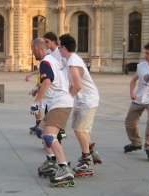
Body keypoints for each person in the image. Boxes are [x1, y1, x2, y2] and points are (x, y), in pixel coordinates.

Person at [31, 38, 75, 187]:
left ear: (38, 49)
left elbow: (48, 81)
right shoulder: (53, 60)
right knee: (41, 131)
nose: (32, 52)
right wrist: (38, 90)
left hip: (60, 103)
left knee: (49, 135)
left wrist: (37, 102)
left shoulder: (45, 62)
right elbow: (50, 81)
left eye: (32, 49)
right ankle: (51, 161)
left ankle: (64, 169)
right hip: (58, 101)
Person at [58, 34, 101, 177]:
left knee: (80, 129)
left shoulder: (73, 62)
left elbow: (77, 85)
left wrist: (66, 99)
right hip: (83, 100)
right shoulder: (72, 60)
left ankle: (86, 161)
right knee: (80, 129)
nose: (58, 49)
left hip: (87, 100)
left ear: (64, 47)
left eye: (59, 46)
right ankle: (90, 151)